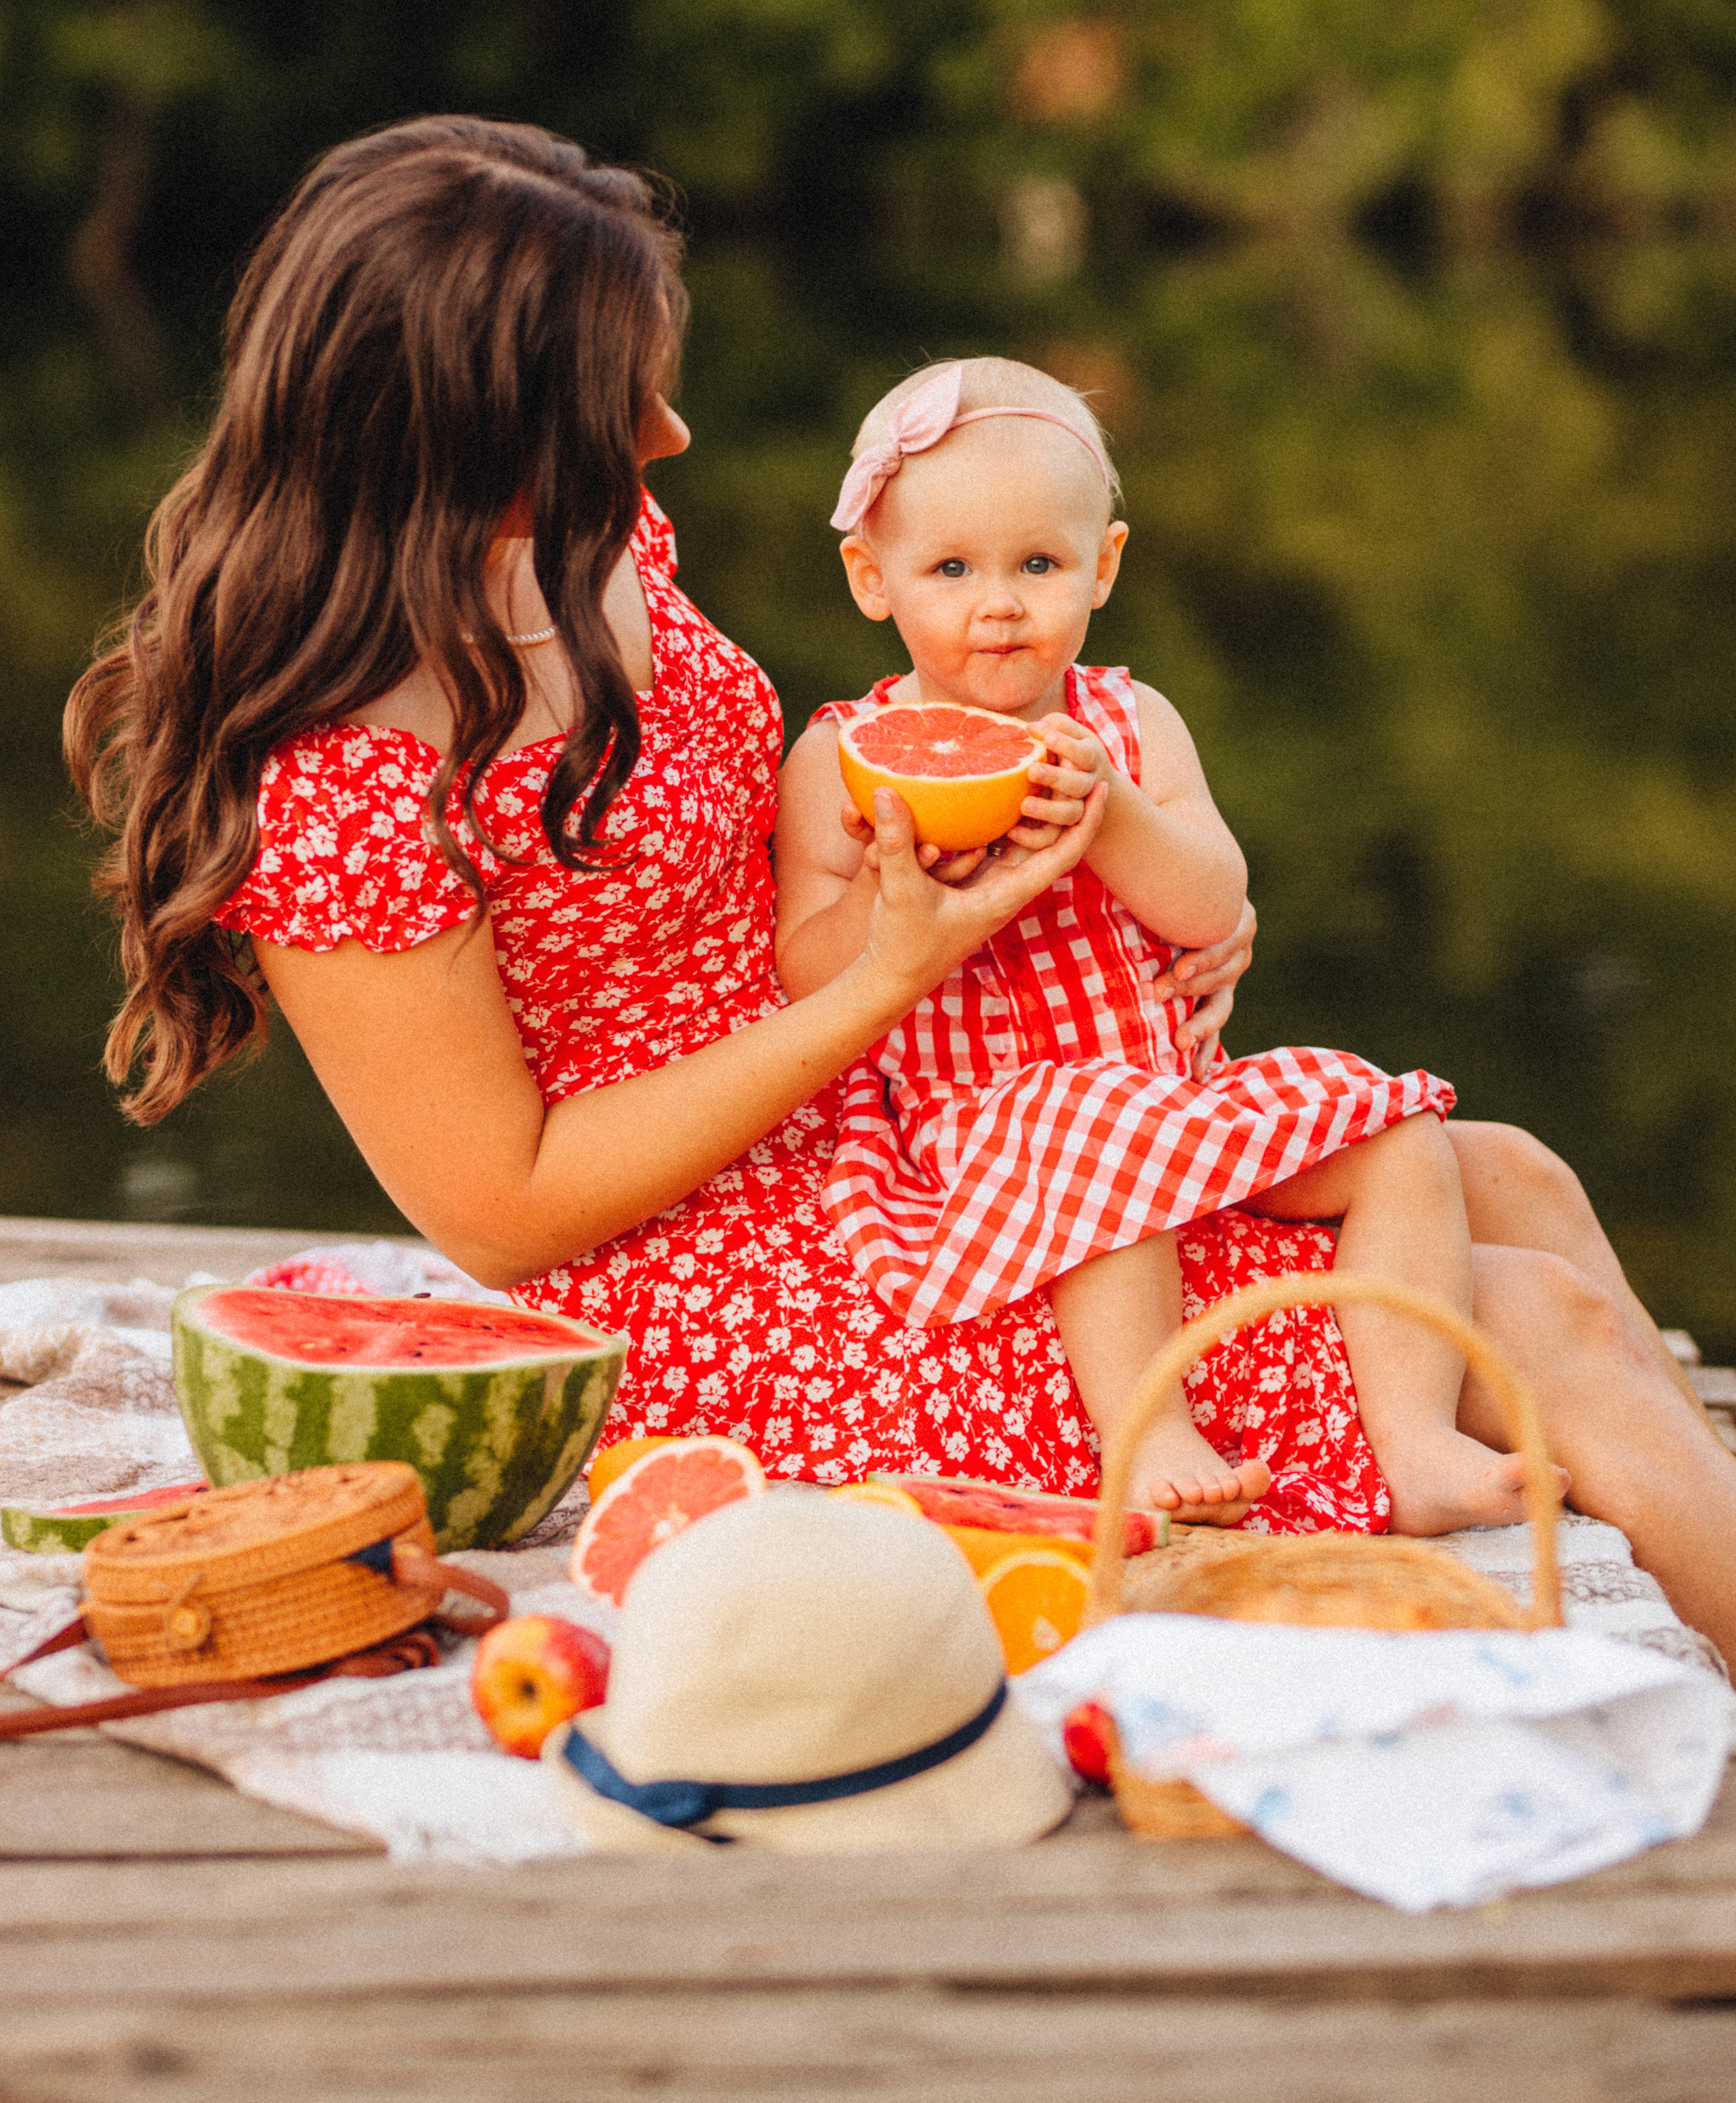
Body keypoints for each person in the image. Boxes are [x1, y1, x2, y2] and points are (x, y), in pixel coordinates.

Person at [62, 117, 1736, 1659]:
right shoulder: (341, 784)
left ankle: (1682, 1609)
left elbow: (790, 839)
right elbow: (500, 1208)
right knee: (1540, 1325)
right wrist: (878, 984)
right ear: (472, 427)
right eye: (619, 404)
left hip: (901, 1089)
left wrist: (1134, 907)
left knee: (1499, 1169)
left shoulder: (585, 536)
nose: (670, 436)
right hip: (709, 1279)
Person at [775, 357, 1563, 1534]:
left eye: (1039, 565)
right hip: (984, 1130)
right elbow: (802, 974)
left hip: (1168, 1095)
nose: (999, 604)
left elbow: (1210, 906)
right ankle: (1151, 1429)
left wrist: (1116, 821)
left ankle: (1413, 1440)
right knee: (1097, 1131)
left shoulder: (1134, 726)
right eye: (951, 569)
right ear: (870, 578)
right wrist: (893, 905)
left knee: (1400, 1133)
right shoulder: (845, 754)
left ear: (1104, 565)